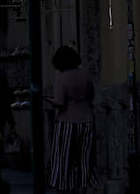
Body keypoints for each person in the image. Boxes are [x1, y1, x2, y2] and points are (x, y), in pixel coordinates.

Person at [49, 46, 94, 194]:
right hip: (87, 120)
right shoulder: (85, 75)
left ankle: (64, 189)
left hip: (67, 122)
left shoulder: (61, 78)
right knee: (84, 160)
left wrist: (50, 101)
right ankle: (82, 189)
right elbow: (91, 96)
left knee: (63, 160)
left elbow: (60, 103)